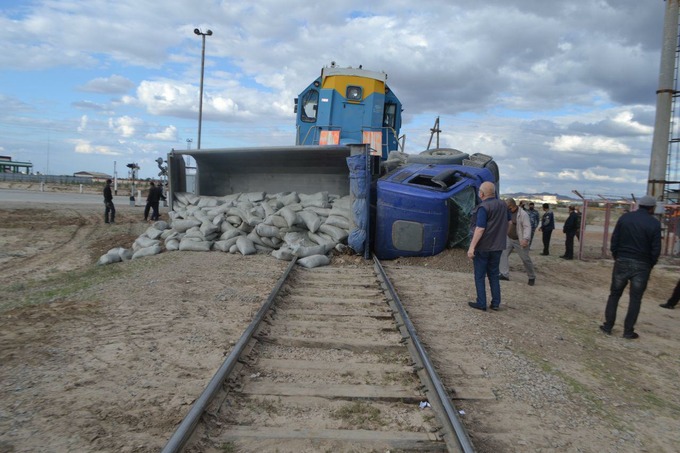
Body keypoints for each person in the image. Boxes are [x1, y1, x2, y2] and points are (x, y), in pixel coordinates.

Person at [600, 195, 661, 339]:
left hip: (622, 260)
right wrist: (650, 264)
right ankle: (628, 331)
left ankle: (608, 326)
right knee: (635, 299)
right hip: (642, 264)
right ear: (652, 208)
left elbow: (615, 239)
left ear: (640, 205)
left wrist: (617, 256)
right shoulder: (654, 224)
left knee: (614, 295)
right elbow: (656, 248)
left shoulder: (625, 218)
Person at [466, 181, 510, 311]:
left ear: (482, 193)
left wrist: (472, 247)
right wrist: (501, 235)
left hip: (483, 247)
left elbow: (480, 228)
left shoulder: (483, 207)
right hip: (498, 247)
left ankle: (481, 303)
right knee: (493, 275)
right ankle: (496, 303)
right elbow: (509, 222)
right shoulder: (503, 205)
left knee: (479, 276)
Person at [499, 198, 537, 286]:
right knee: (503, 254)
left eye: (508, 207)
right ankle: (504, 274)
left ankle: (531, 276)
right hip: (508, 238)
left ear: (512, 206)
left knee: (525, 259)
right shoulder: (507, 212)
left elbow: (527, 227)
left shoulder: (523, 214)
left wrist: (526, 239)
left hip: (519, 239)